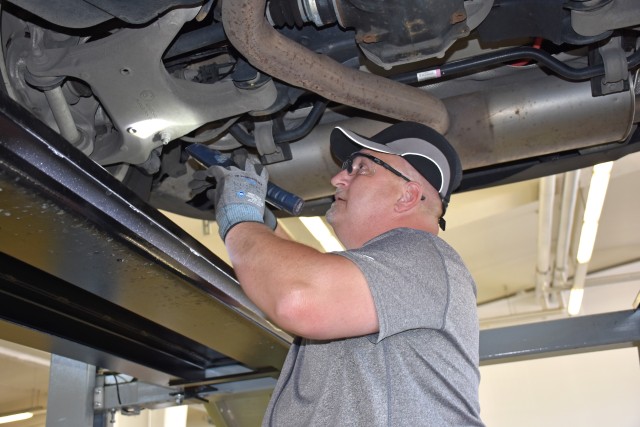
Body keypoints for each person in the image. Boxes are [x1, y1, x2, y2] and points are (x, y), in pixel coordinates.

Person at [190, 121, 484, 426]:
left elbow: (299, 296)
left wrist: (240, 217)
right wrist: (265, 226)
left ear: (407, 196)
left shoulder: (423, 254)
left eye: (360, 168)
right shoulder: (406, 270)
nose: (337, 178)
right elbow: (309, 280)